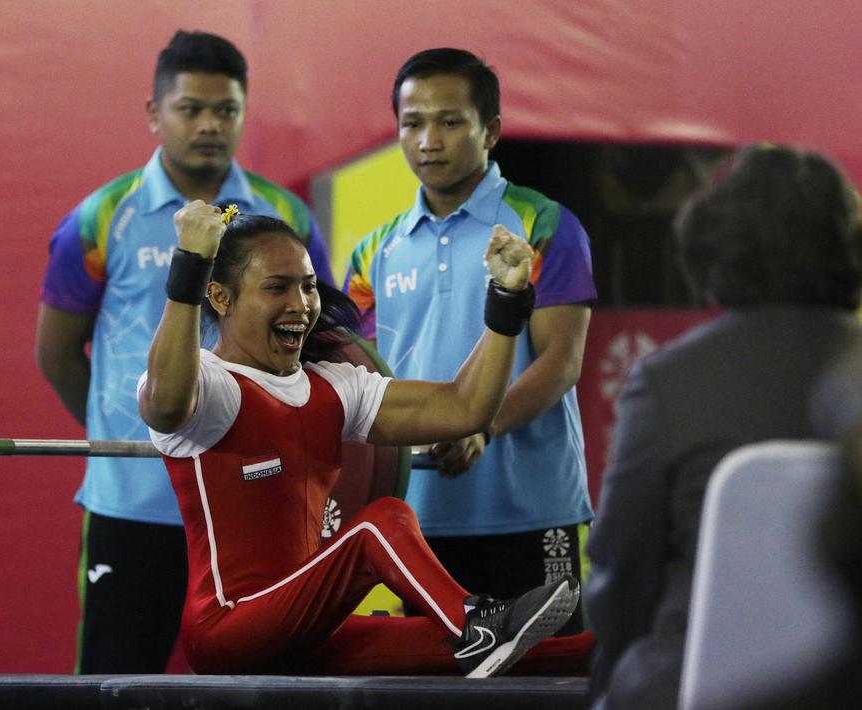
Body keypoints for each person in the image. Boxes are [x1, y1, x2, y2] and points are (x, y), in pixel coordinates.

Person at [137, 199, 578, 675]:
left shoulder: (336, 386)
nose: (300, 305)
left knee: (559, 653)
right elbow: (165, 404)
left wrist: (506, 303)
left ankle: (621, 646)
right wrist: (190, 268)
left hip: (308, 629)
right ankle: (474, 622)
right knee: (380, 522)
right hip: (229, 630)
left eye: (308, 287)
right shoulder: (211, 384)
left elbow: (465, 407)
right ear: (221, 298)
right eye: (277, 288)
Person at [34, 30, 332, 674]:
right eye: (190, 108)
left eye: (225, 110)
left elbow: (324, 337)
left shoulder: (286, 219)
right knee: (116, 684)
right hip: (133, 504)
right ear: (154, 113)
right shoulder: (100, 218)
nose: (209, 125)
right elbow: (56, 351)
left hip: (255, 503)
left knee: (256, 688)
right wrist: (125, 437)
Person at [585, 144, 862, 709]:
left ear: (716, 249)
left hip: (690, 685)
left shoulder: (667, 383)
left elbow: (623, 578)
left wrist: (608, 685)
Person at [344, 48, 595, 637]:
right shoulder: (372, 252)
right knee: (435, 689)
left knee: (545, 683)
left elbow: (562, 361)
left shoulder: (544, 225)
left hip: (533, 512)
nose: (429, 139)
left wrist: (483, 424)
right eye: (413, 123)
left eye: (450, 121)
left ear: (492, 132)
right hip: (421, 520)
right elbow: (368, 377)